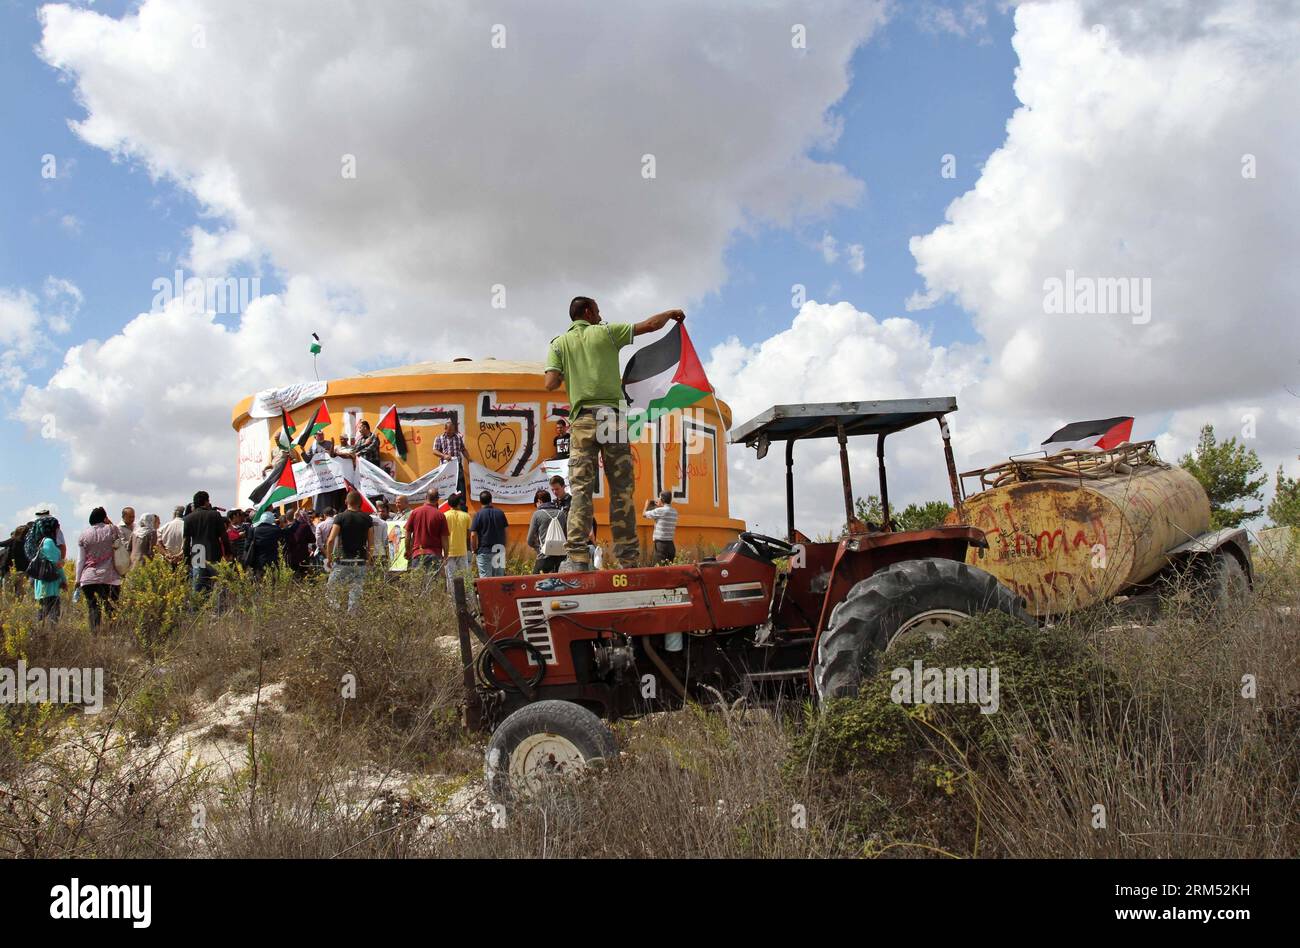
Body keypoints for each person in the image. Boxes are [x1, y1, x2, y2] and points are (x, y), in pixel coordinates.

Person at [544, 296, 684, 570]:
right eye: (597, 310)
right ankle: (627, 560)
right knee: (621, 490)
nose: (600, 314)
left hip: (582, 421)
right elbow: (650, 326)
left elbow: (550, 382)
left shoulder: (558, 344)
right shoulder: (607, 332)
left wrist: (569, 371)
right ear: (588, 311)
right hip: (611, 418)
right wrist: (671, 312)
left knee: (581, 491)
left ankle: (578, 557)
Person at [326, 491, 373, 612]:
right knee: (356, 592)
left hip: (343, 560)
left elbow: (331, 540)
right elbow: (371, 542)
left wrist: (329, 558)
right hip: (360, 561)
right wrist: (369, 558)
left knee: (332, 589)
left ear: (346, 502)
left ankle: (334, 615)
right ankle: (353, 618)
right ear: (360, 503)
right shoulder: (367, 518)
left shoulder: (340, 517)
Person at [77, 507, 123, 630]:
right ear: (104, 518)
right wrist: (109, 522)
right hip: (109, 577)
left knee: (93, 608)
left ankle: (95, 635)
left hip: (88, 578)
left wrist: (77, 580)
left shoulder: (84, 535)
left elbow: (81, 560)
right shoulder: (112, 529)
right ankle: (113, 633)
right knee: (111, 608)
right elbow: (120, 543)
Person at [182, 491, 230, 597]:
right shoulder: (215, 515)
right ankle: (218, 612)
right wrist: (228, 552)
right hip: (214, 553)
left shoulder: (188, 518)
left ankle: (196, 612)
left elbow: (186, 541)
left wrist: (186, 560)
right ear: (206, 501)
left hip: (197, 555)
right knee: (218, 588)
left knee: (198, 590)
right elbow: (224, 536)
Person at [404, 490, 448, 580]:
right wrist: (446, 555)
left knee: (417, 584)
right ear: (437, 500)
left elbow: (407, 534)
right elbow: (444, 538)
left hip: (417, 553)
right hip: (435, 554)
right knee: (433, 584)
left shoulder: (415, 512)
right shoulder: (440, 515)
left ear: (425, 497)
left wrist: (407, 550)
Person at [28, 516, 66, 623]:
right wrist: (64, 580)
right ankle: (49, 639)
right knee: (52, 618)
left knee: (41, 618)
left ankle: (39, 638)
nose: (58, 529)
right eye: (57, 527)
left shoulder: (40, 541)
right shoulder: (49, 542)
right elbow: (57, 565)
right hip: (49, 587)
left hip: (42, 588)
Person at [526, 488, 568, 574]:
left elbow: (529, 540)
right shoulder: (561, 513)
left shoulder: (537, 514)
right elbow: (566, 535)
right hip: (561, 557)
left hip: (544, 557)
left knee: (536, 583)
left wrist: (539, 549)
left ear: (539, 501)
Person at [470, 490, 509, 578]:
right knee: (499, 578)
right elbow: (506, 530)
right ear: (491, 500)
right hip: (499, 550)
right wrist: (505, 546)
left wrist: (474, 549)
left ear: (480, 501)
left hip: (484, 551)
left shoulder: (478, 515)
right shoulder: (500, 513)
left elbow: (473, 535)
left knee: (485, 579)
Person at [443, 492, 472, 594]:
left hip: (448, 552)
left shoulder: (444, 516)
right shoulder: (466, 516)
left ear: (449, 504)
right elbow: (469, 535)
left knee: (450, 577)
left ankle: (452, 600)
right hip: (462, 550)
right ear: (459, 503)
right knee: (464, 576)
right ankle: (467, 598)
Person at [246, 510, 288, 574]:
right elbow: (286, 532)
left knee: (260, 580)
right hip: (273, 560)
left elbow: (247, 546)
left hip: (258, 561)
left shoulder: (254, 529)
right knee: (273, 580)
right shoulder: (276, 529)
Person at [644, 490, 680, 563]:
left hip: (661, 545)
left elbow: (644, 514)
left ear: (662, 499)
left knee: (660, 570)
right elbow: (664, 514)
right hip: (671, 545)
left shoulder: (660, 511)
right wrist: (660, 506)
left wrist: (646, 505)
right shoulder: (675, 512)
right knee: (669, 569)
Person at [386, 494, 411, 573]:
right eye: (396, 503)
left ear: (406, 503)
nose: (397, 505)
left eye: (399, 503)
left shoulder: (411, 514)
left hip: (406, 547)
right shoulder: (396, 515)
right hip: (395, 547)